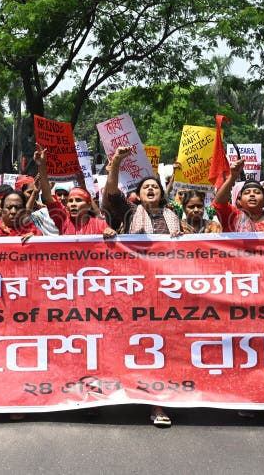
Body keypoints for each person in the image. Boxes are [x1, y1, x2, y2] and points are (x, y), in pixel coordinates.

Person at [103, 145, 180, 427]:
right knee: (130, 344)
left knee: (161, 347)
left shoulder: (173, 217)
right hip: (133, 291)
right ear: (139, 193)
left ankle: (158, 403)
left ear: (162, 193)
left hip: (165, 294)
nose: (150, 190)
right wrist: (117, 161)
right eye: (145, 187)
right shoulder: (128, 212)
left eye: (155, 187)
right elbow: (111, 192)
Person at [33, 144, 115, 238]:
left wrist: (110, 233)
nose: (73, 204)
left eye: (78, 200)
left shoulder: (100, 224)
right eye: (70, 201)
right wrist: (41, 165)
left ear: (89, 206)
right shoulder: (62, 219)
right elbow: (47, 196)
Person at [212, 159, 264, 233]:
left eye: (257, 192)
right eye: (247, 192)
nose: (252, 195)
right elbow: (219, 204)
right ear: (240, 201)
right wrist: (232, 177)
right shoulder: (232, 217)